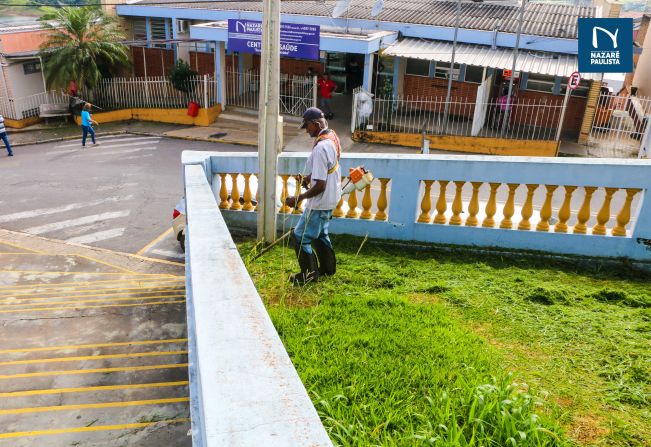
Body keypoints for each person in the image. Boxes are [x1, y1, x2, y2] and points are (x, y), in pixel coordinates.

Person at [285, 107, 342, 285]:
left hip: (320, 201)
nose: (306, 130)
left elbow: (320, 186)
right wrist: (308, 178)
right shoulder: (332, 136)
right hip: (332, 198)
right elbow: (327, 170)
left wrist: (299, 198)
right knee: (320, 234)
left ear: (316, 124)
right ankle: (328, 268)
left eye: (307, 126)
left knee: (300, 236)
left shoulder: (320, 148)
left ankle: (308, 276)